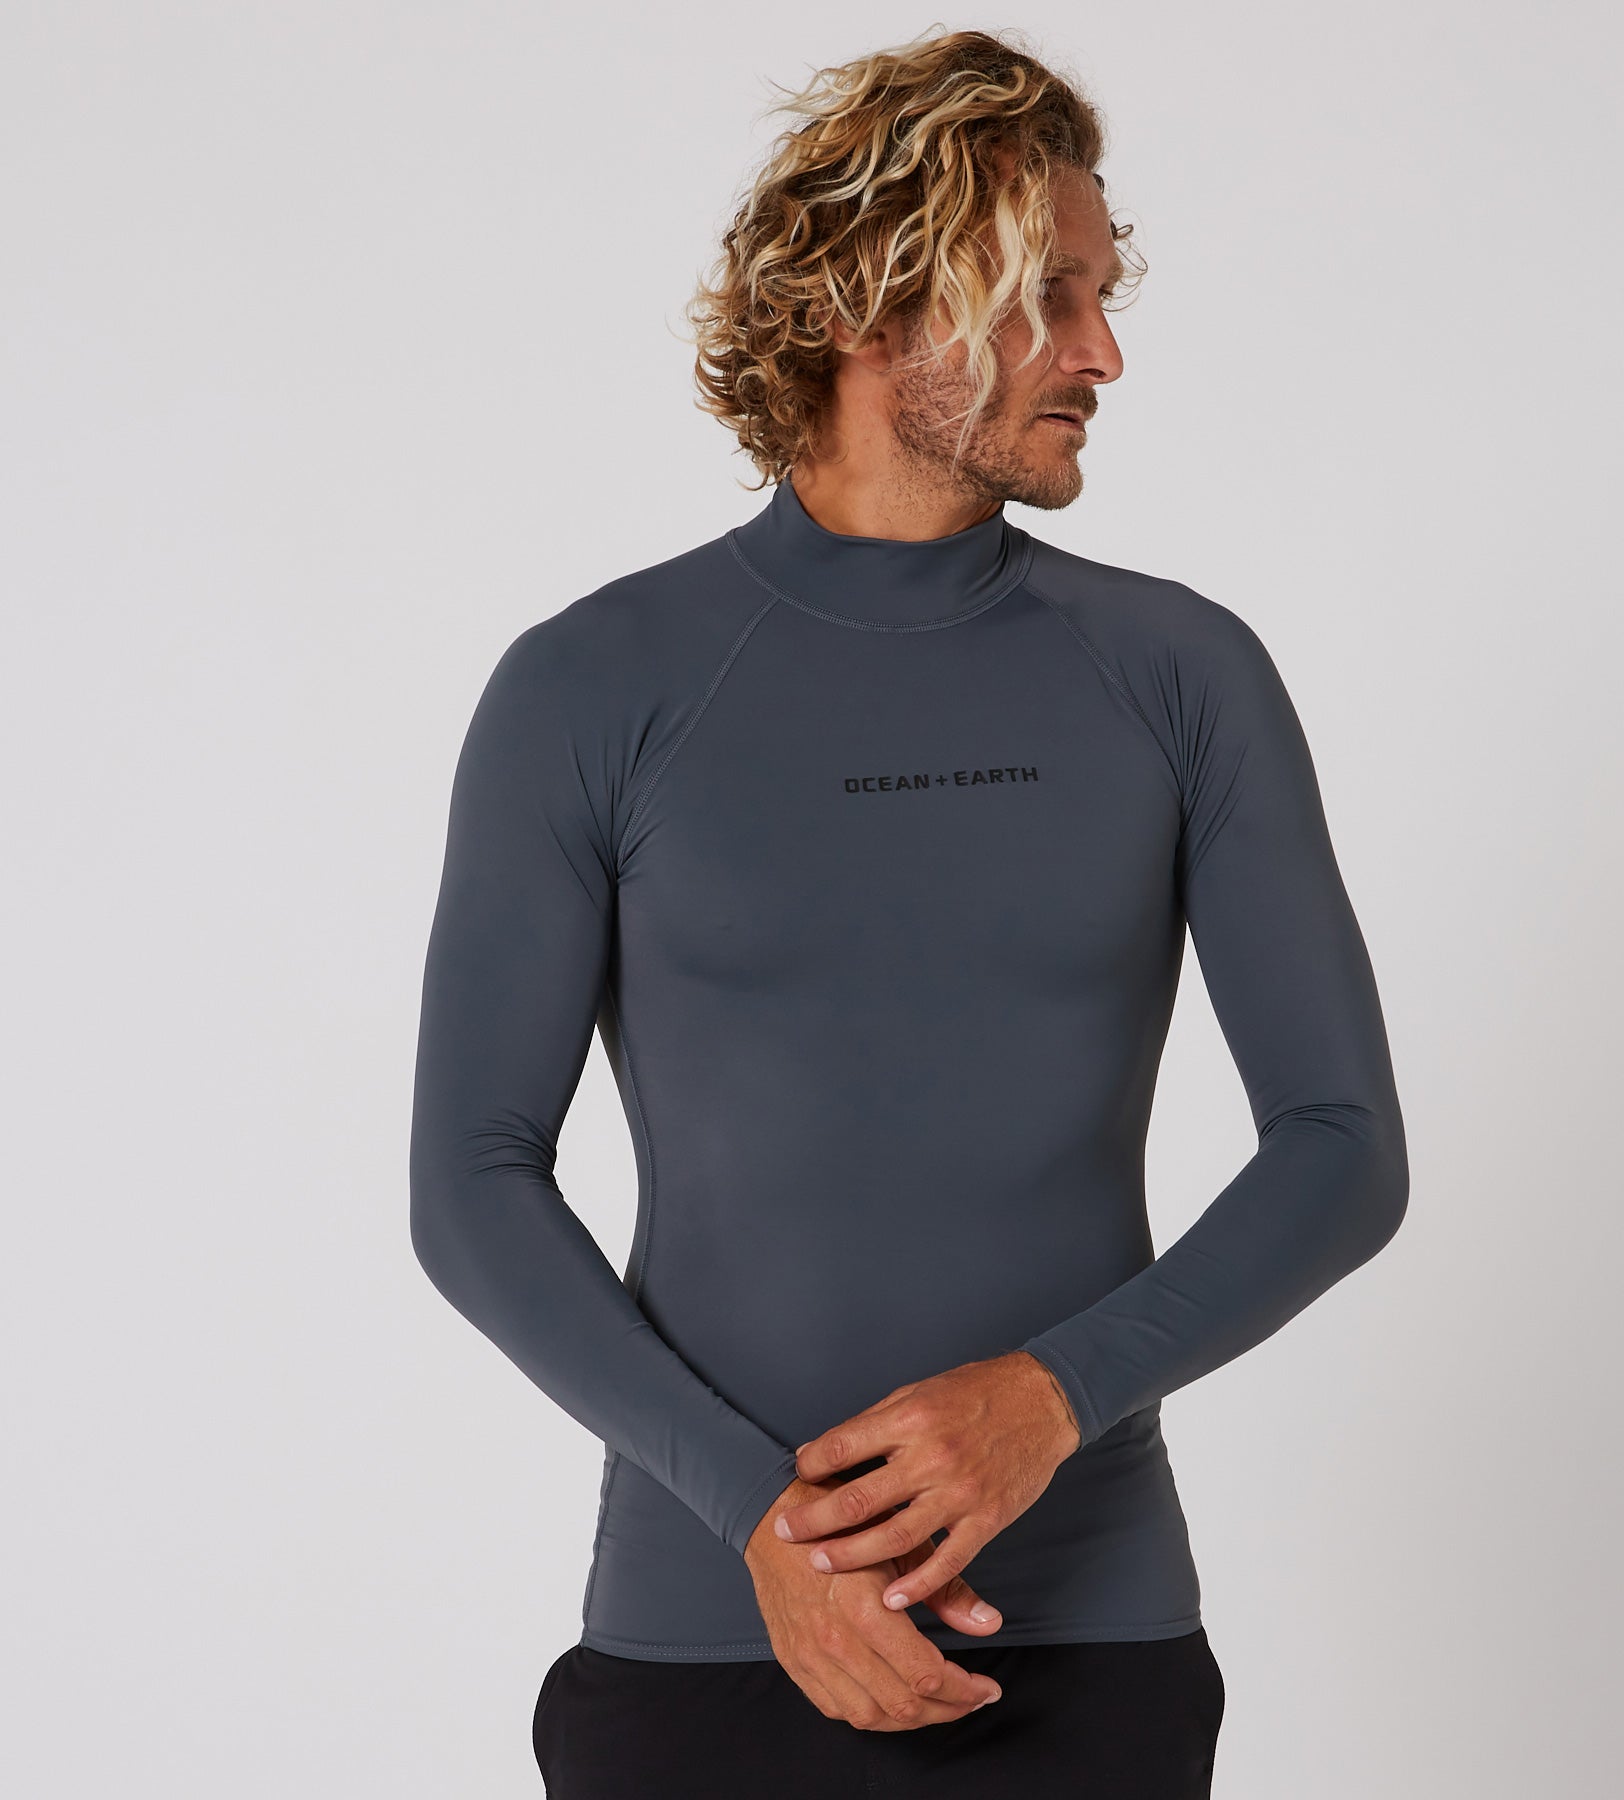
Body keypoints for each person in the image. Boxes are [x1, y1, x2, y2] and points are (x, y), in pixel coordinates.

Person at [408, 26, 1408, 1798]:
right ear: (873, 303)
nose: (1102, 351)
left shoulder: (1181, 674)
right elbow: (473, 1179)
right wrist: (764, 1525)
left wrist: (1049, 1398)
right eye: (1049, 297)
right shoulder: (594, 685)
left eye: (1102, 294)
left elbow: (1342, 1146)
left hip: (1088, 1648)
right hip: (704, 1650)